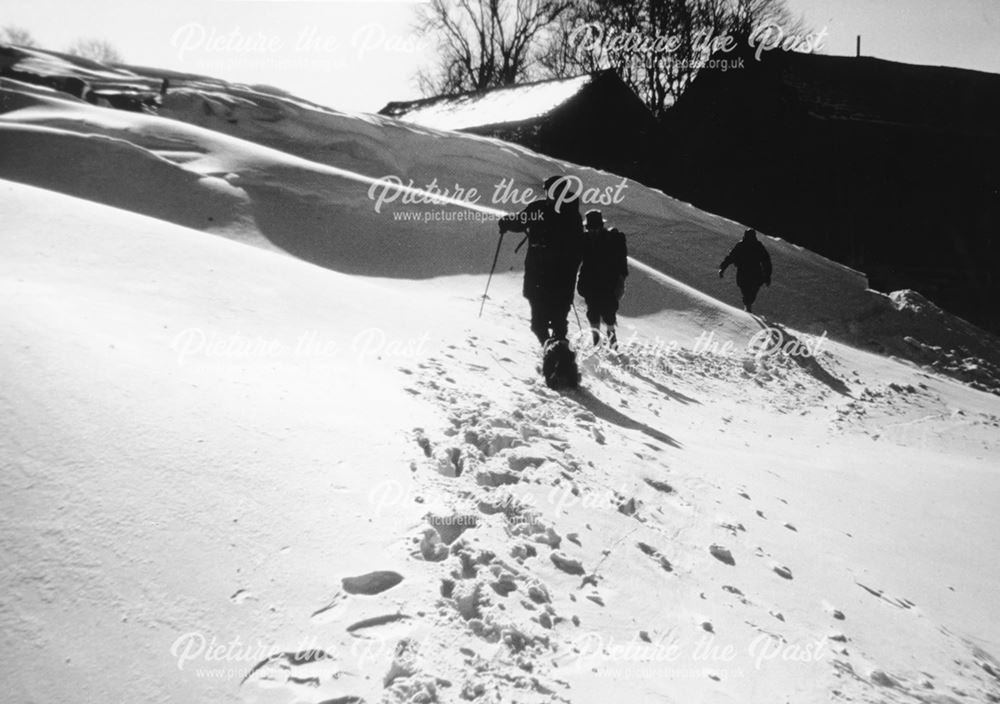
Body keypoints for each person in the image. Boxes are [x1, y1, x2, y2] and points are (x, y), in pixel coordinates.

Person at [499, 175, 583, 346]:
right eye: (550, 190)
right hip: (539, 270)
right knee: (538, 323)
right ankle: (551, 349)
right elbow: (520, 222)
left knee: (558, 319)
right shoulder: (539, 209)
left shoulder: (571, 215)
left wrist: (570, 265)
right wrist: (507, 222)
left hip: (560, 273)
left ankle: (558, 351)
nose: (552, 194)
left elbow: (577, 246)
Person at [577, 209, 628, 348]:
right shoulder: (584, 239)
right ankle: (597, 342)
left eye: (596, 228)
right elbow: (576, 258)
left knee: (608, 312)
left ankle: (612, 342)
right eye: (590, 228)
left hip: (608, 282)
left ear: (601, 226)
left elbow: (620, 261)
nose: (593, 231)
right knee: (593, 312)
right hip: (590, 282)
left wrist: (621, 280)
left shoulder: (611, 239)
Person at [719, 228, 772, 314]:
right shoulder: (741, 245)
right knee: (747, 292)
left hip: (754, 274)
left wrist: (767, 276)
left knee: (752, 292)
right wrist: (722, 268)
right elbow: (731, 257)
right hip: (745, 273)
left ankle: (748, 306)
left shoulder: (757, 246)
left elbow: (766, 261)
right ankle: (747, 307)